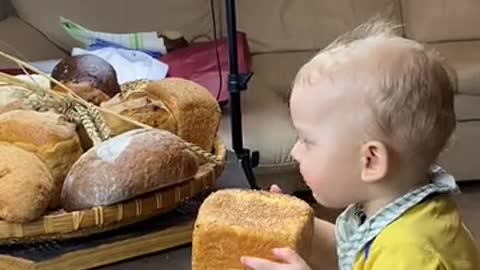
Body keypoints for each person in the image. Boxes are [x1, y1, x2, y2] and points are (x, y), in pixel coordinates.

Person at [240, 19, 480, 270]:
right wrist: (295, 225)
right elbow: (352, 253)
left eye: (308, 141)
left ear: (371, 160)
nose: (294, 152)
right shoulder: (385, 210)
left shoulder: (411, 255)